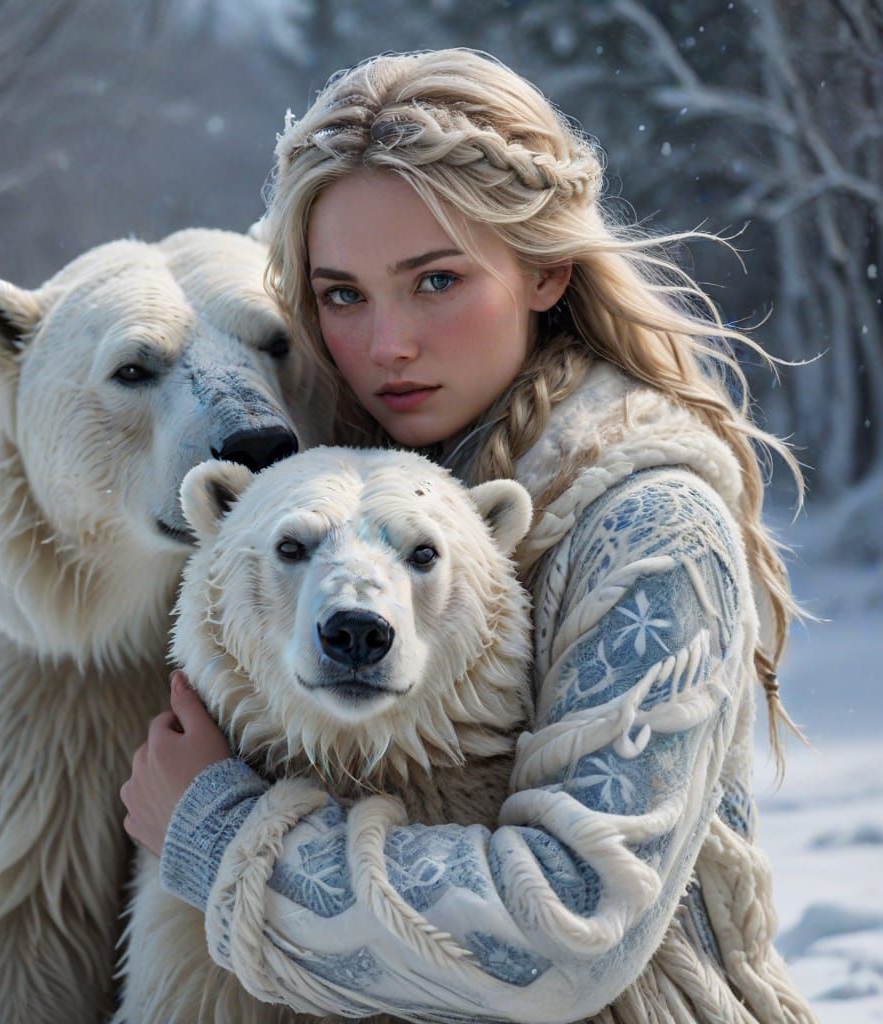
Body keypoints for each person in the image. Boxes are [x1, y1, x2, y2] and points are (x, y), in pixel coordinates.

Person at [121, 49, 817, 1023]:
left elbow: (568, 930)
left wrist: (220, 833)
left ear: (545, 268)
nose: (385, 344)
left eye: (435, 281)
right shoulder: (325, 488)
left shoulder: (648, 524)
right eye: (342, 294)